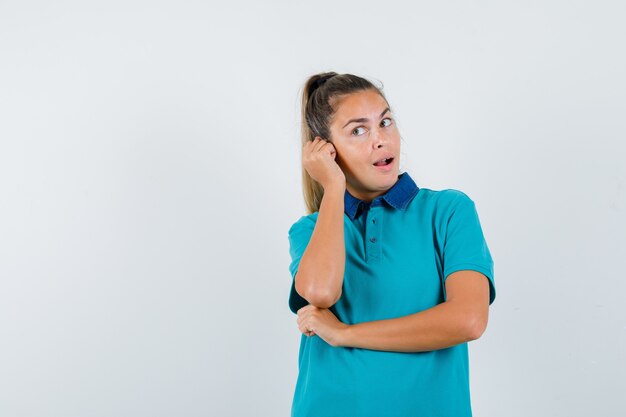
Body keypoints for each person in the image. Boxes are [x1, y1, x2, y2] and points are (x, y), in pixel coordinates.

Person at [287, 71, 497, 417]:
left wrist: (345, 334)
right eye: (358, 130)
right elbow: (321, 293)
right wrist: (333, 188)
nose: (380, 139)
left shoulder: (448, 211)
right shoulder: (309, 230)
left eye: (385, 122)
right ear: (326, 150)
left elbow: (469, 320)